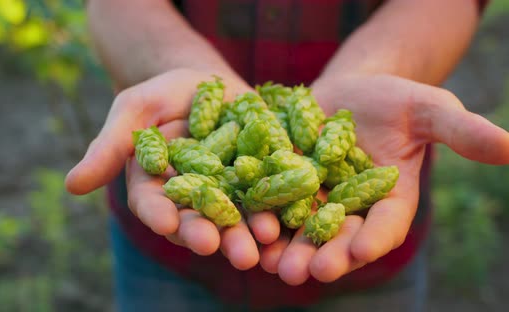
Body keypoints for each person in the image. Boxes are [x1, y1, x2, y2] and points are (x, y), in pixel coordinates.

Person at [66, 0, 509, 311]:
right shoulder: (231, 155)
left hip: (364, 276)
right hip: (166, 261)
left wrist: (371, 72)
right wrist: (172, 67)